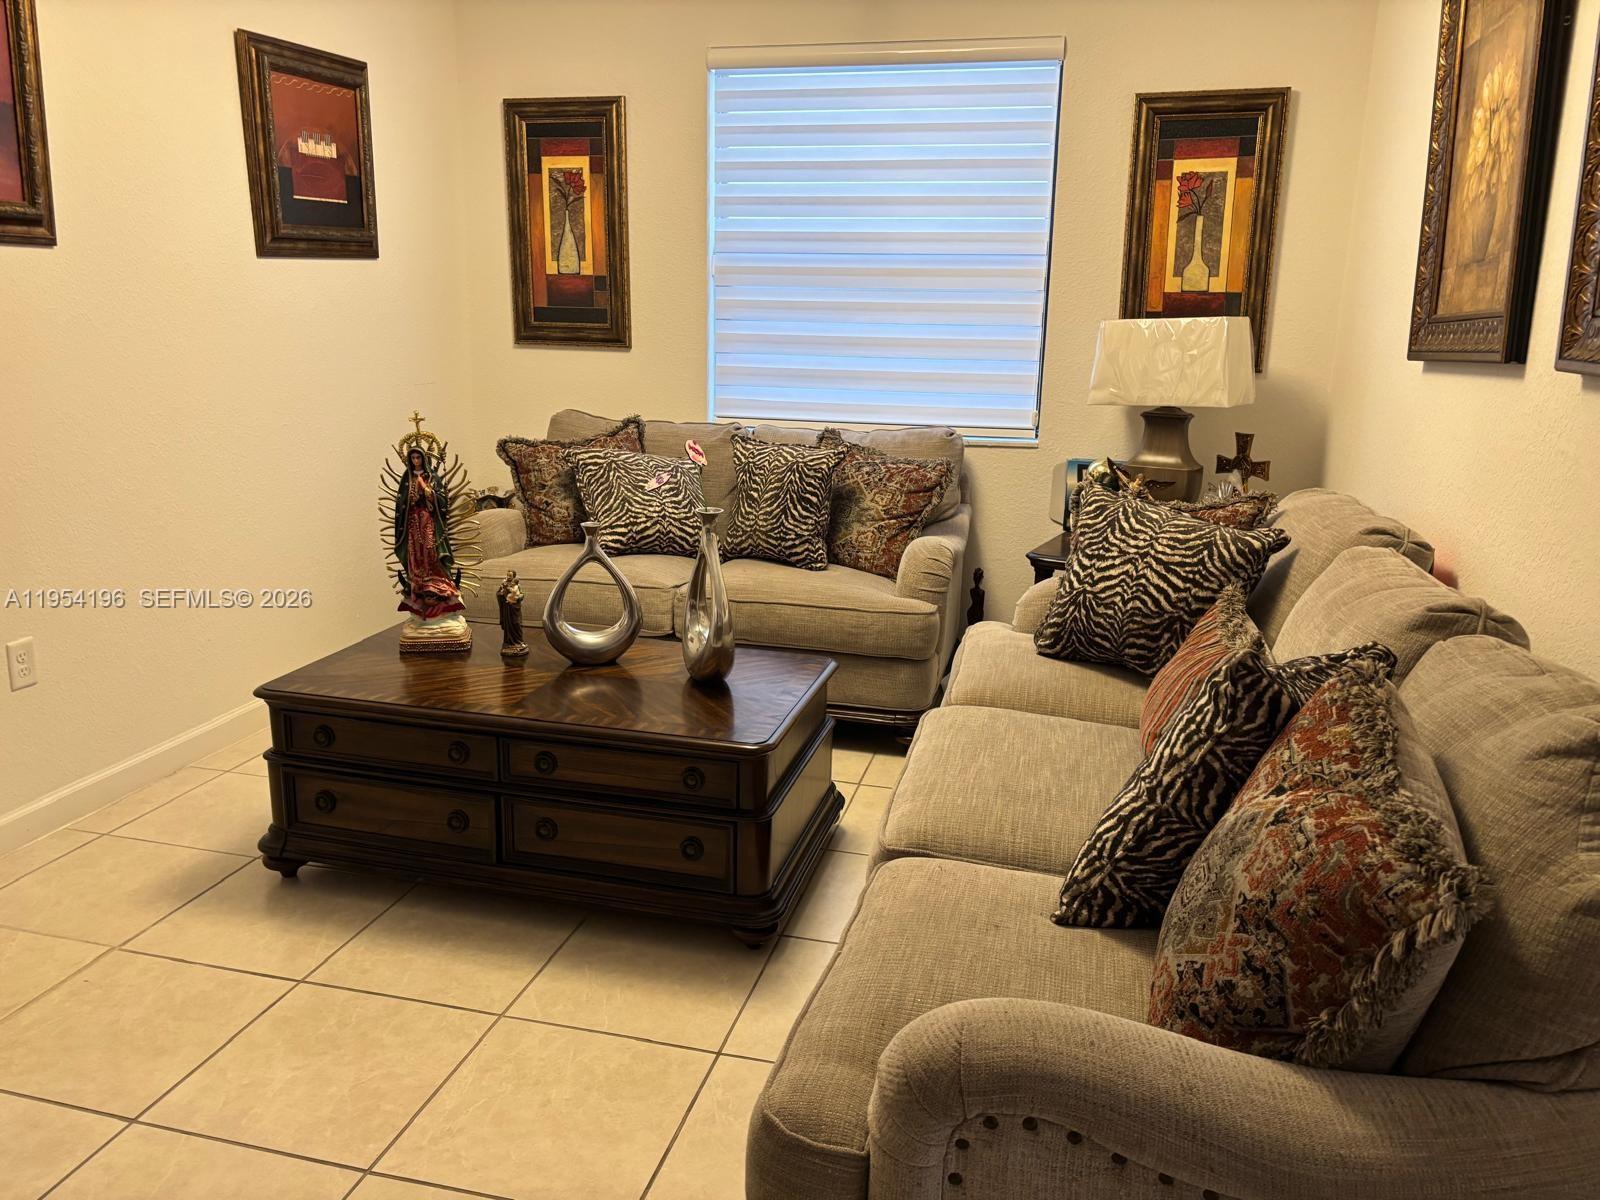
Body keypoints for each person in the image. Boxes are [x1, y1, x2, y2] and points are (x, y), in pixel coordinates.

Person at [394, 446, 464, 620]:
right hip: (412, 521)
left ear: (424, 459)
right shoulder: (407, 478)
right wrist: (410, 499)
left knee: (430, 548)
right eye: (413, 458)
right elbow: (401, 503)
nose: (415, 461)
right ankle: (418, 581)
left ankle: (436, 579)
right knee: (414, 550)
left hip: (427, 518)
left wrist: (427, 490)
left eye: (418, 458)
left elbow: (442, 501)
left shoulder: (432, 476)